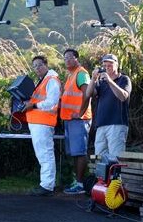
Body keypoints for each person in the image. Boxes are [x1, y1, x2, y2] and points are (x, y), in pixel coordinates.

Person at [23, 55, 61, 196]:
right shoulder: (43, 80)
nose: (37, 68)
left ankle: (47, 186)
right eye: (34, 66)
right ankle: (46, 184)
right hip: (38, 122)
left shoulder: (51, 80)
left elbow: (51, 101)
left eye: (39, 65)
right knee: (43, 155)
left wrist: (33, 105)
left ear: (46, 64)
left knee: (45, 154)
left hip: (43, 122)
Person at [83, 53, 131, 161]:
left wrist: (109, 81)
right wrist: (93, 79)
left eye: (110, 65)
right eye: (104, 66)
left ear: (117, 65)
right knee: (100, 159)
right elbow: (89, 94)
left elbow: (123, 97)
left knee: (115, 159)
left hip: (117, 124)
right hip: (101, 125)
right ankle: (103, 179)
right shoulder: (101, 82)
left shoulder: (124, 79)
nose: (106, 68)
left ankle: (116, 179)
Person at [59, 48, 91, 195]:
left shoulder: (81, 73)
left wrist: (80, 113)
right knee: (74, 152)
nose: (67, 60)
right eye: (64, 58)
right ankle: (76, 182)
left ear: (76, 58)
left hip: (79, 120)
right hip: (70, 120)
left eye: (69, 57)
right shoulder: (71, 75)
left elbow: (87, 93)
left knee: (80, 152)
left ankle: (79, 184)